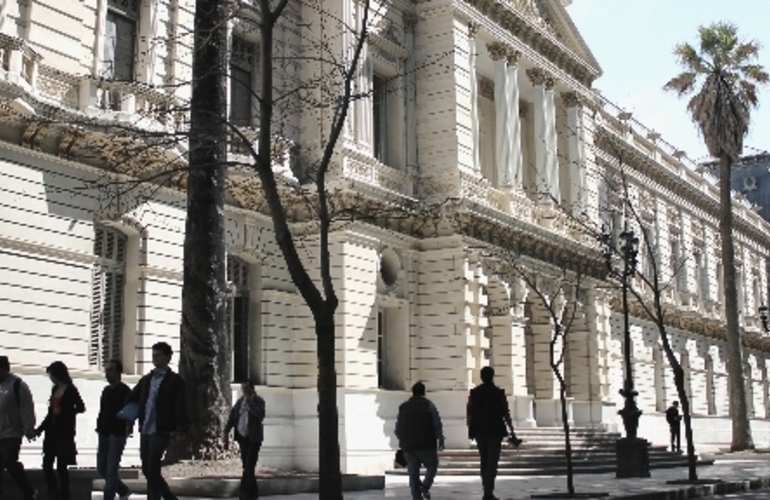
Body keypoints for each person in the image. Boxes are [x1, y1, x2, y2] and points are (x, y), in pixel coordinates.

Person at [126, 342, 188, 500]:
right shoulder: (147, 380)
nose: (155, 359)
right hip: (146, 428)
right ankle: (168, 497)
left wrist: (181, 429)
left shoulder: (175, 381)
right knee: (147, 468)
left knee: (152, 465)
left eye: (158, 355)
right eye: (153, 355)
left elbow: (180, 405)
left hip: (161, 429)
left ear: (168, 357)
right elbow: (133, 397)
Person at [467, 366, 522, 500]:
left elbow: (469, 412)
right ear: (492, 376)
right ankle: (488, 492)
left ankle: (486, 490)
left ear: (481, 377)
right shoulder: (499, 393)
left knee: (484, 460)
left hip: (479, 431)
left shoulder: (474, 393)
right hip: (495, 431)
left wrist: (470, 428)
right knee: (492, 462)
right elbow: (505, 412)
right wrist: (512, 431)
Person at [35, 361, 86, 500]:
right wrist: (40, 429)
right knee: (47, 463)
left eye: (52, 374)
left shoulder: (70, 389)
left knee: (61, 466)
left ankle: (64, 493)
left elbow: (81, 407)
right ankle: (53, 489)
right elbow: (50, 413)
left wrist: (65, 412)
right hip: (51, 431)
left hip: (64, 432)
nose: (51, 378)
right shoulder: (54, 389)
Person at [394, 382, 444, 500]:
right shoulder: (429, 405)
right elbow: (437, 423)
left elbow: (398, 428)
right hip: (427, 444)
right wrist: (440, 438)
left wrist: (403, 440)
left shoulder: (403, 407)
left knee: (413, 473)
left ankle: (416, 497)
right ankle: (425, 486)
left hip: (409, 446)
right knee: (432, 465)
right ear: (424, 392)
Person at [0, 355, 38, 500]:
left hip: (12, 433)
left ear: (4, 369)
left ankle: (29, 492)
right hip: (1, 432)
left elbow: (26, 407)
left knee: (10, 461)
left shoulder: (18, 385)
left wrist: (29, 428)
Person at [96, 359, 133, 500]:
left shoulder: (124, 391)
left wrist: (129, 427)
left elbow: (131, 410)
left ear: (118, 373)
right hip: (104, 432)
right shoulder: (106, 391)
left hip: (117, 433)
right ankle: (123, 490)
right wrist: (99, 426)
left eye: (110, 370)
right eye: (106, 370)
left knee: (111, 468)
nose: (107, 373)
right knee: (101, 467)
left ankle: (109, 496)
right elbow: (102, 410)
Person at [224, 380, 266, 500]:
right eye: (243, 389)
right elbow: (232, 417)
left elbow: (260, 415)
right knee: (247, 466)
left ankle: (243, 493)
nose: (245, 392)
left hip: (254, 439)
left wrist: (250, 403)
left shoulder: (259, 401)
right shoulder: (239, 402)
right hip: (242, 437)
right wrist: (226, 432)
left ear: (252, 389)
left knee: (249, 465)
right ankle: (253, 494)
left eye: (247, 389)